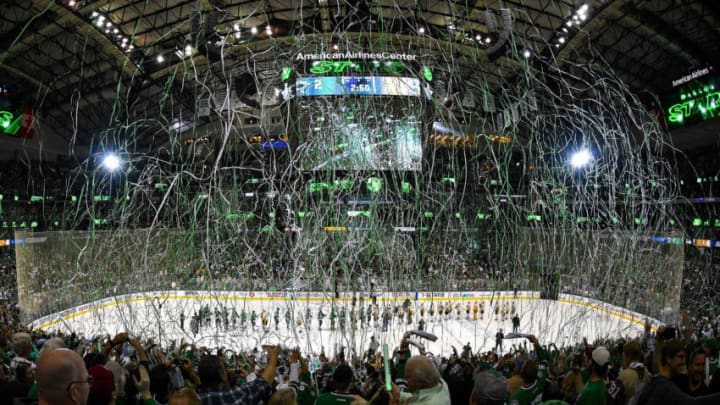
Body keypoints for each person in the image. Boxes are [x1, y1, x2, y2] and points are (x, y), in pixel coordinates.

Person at [637, 340, 720, 404]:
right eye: (681, 357)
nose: (683, 361)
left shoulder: (659, 380)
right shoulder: (665, 386)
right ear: (669, 359)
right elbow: (691, 403)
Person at [196, 345, 278, 404]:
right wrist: (274, 356)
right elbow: (265, 381)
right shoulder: (236, 395)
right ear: (222, 376)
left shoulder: (190, 400)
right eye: (224, 370)